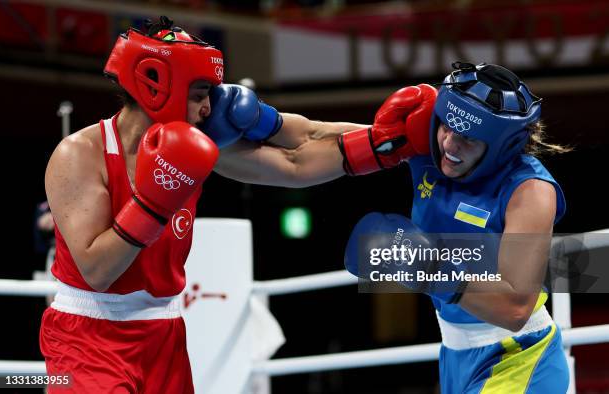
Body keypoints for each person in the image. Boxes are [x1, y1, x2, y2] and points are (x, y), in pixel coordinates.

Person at [40, 16, 433, 393]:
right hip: (88, 333)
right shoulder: (79, 154)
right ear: (156, 87)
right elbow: (97, 271)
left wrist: (392, 144)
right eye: (199, 96)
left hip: (163, 331)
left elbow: (296, 160)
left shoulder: (195, 146)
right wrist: (155, 201)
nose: (209, 108)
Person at [343, 62, 572, 393]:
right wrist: (266, 123)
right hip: (454, 356)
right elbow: (323, 141)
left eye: (466, 137)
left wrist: (430, 268)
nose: (449, 144)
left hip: (519, 357)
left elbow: (515, 307)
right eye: (446, 127)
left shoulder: (530, 190)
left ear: (501, 146)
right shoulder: (432, 151)